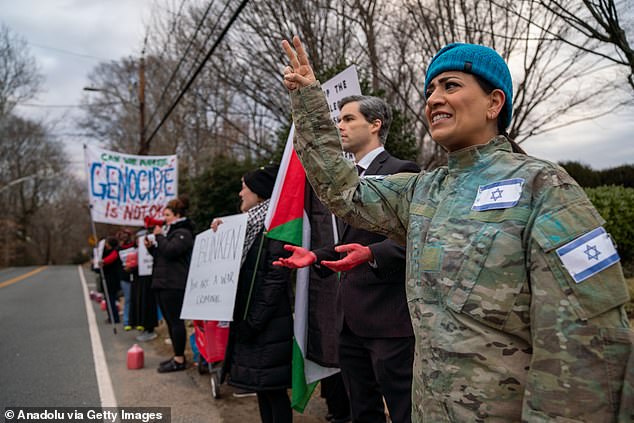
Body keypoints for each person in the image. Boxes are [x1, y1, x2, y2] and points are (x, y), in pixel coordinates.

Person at [281, 37, 634, 422]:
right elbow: (343, 191)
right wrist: (311, 103)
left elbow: (586, 342)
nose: (433, 98)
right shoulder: (423, 190)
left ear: (494, 103)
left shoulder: (544, 186)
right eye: (430, 89)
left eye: (450, 86)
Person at [274, 94, 420, 423]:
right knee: (362, 410)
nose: (340, 125)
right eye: (338, 119)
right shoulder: (343, 182)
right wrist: (314, 256)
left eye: (348, 119)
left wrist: (372, 253)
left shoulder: (403, 172)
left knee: (403, 409)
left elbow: (415, 238)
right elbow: (349, 242)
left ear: (375, 125)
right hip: (348, 319)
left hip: (388, 319)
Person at [212, 165, 294, 423]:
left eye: (244, 188)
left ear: (259, 193)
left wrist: (253, 322)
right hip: (253, 322)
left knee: (273, 390)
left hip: (267, 324)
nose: (240, 193)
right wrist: (221, 231)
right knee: (262, 387)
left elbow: (274, 281)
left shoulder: (274, 228)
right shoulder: (247, 227)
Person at [145, 197, 194, 373]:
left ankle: (180, 359)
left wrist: (159, 236)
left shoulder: (183, 233)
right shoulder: (171, 232)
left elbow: (172, 252)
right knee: (170, 322)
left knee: (176, 322)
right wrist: (152, 247)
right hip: (163, 282)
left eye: (167, 215)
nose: (164, 218)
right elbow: (162, 256)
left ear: (177, 215)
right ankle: (176, 355)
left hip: (174, 284)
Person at [100, 236, 121, 324]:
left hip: (112, 279)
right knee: (108, 299)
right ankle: (111, 316)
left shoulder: (114, 252)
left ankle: (114, 317)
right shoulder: (105, 252)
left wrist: (102, 262)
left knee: (111, 299)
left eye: (107, 243)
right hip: (107, 278)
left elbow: (107, 260)